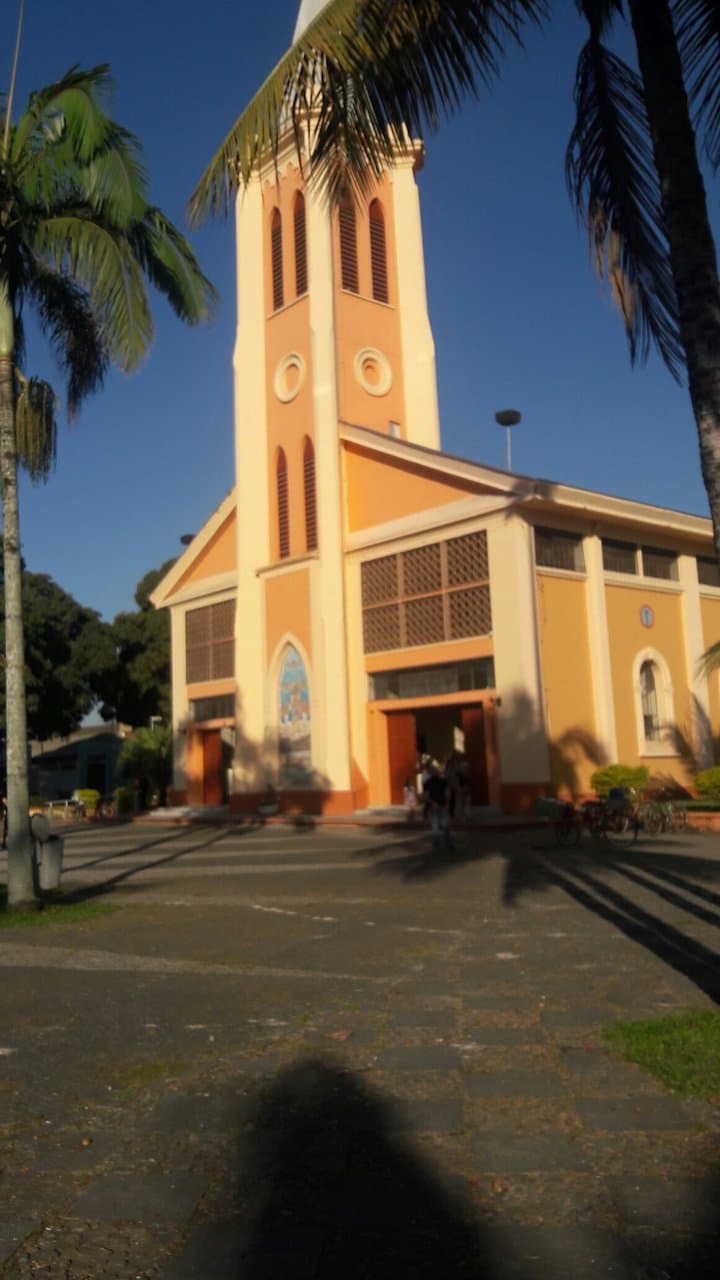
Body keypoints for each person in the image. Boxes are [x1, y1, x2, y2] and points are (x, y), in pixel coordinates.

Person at [422, 765, 454, 852]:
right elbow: (448, 793)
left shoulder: (427, 783)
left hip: (433, 806)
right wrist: (447, 803)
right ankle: (448, 844)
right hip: (442, 805)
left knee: (435, 827)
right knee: (445, 826)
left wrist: (432, 803)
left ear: (430, 773)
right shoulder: (443, 781)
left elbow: (426, 796)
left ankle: (436, 844)